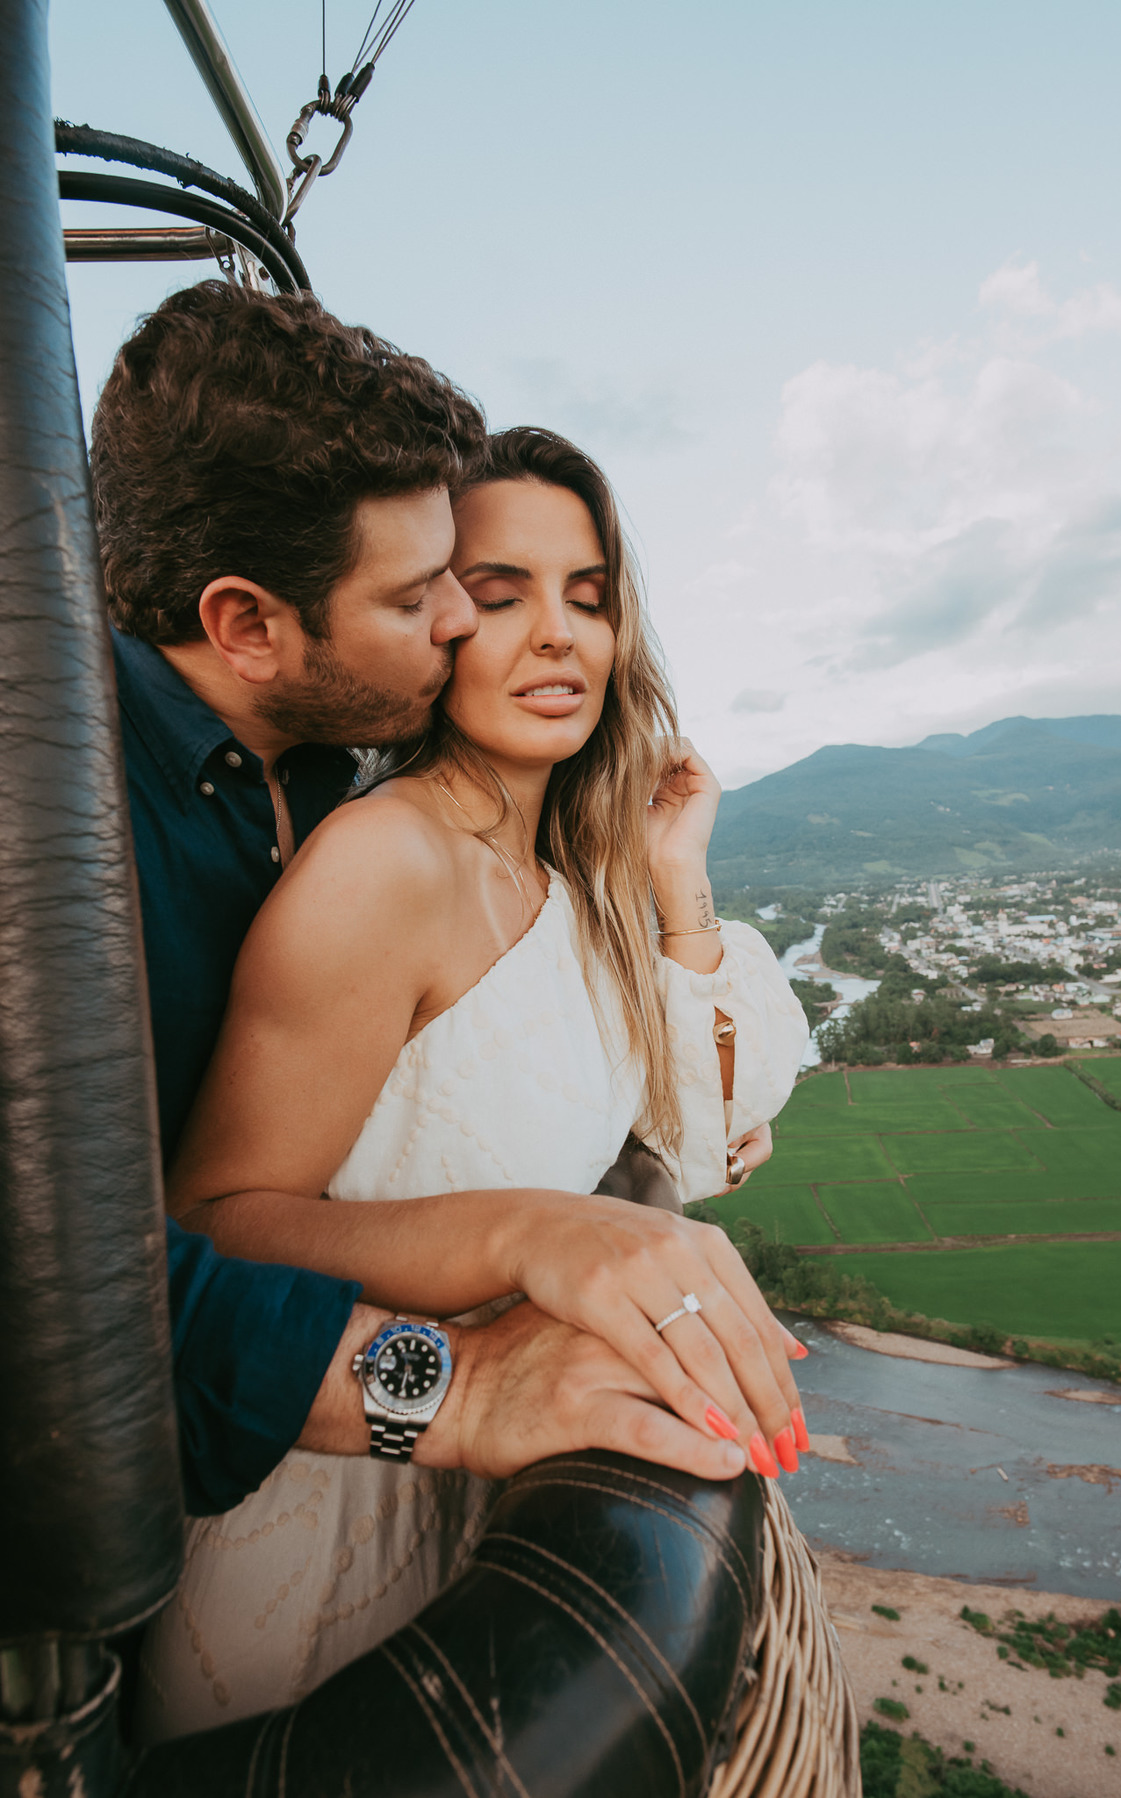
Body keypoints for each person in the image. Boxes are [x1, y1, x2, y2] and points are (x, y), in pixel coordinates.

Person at [137, 422, 810, 1738]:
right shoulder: (384, 866)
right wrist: (535, 1230)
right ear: (438, 622)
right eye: (501, 596)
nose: (559, 634)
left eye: (590, 596)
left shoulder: (571, 877)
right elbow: (212, 1219)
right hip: (336, 1503)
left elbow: (713, 1138)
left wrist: (679, 881)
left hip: (503, 1475)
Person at [96, 283, 776, 1527]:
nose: (471, 622)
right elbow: (96, 1284)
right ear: (246, 623)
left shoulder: (324, 764)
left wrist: (674, 902)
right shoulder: (65, 839)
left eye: (587, 592)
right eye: (433, 596)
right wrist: (461, 1374)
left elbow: (655, 1130)